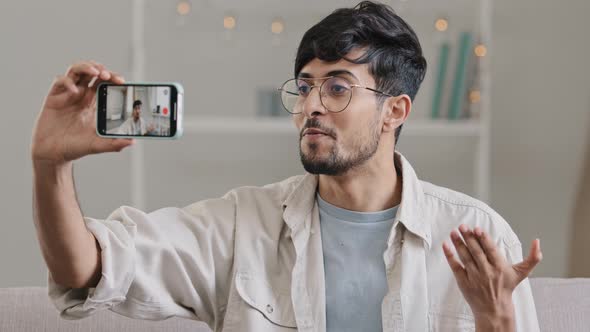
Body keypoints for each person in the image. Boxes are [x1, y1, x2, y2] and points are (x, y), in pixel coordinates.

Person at [30, 2, 542, 331]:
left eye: (338, 87)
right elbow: (85, 269)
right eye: (304, 86)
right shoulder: (241, 227)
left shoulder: (478, 238)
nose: (312, 105)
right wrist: (51, 165)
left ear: (395, 111)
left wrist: (496, 318)